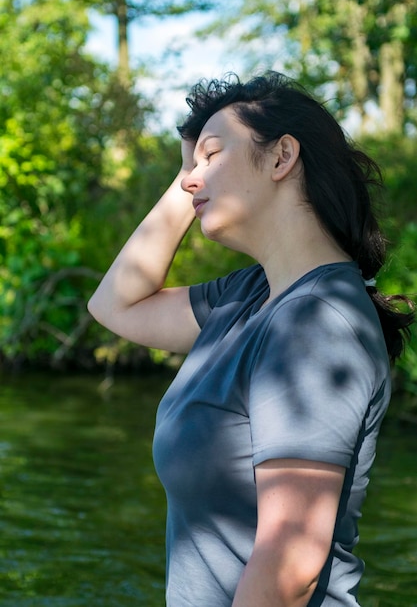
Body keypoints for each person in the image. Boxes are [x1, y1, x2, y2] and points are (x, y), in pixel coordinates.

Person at [87, 72, 414, 607]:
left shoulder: (316, 324)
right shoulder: (249, 296)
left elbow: (290, 568)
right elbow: (115, 305)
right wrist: (189, 173)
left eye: (212, 156)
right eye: (193, 165)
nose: (193, 179)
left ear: (283, 156)